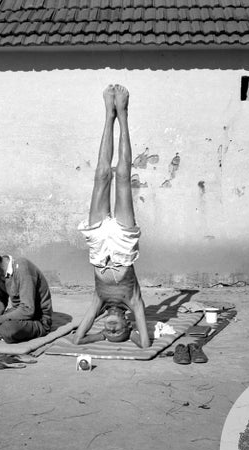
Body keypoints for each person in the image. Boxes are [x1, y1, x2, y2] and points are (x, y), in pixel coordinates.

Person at [73, 84, 151, 348]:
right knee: (122, 177)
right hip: (122, 250)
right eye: (117, 332)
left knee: (101, 176)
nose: (111, 329)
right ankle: (124, 116)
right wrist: (130, 335)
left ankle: (109, 115)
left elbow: (78, 339)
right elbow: (146, 344)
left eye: (109, 331)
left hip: (98, 250)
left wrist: (101, 337)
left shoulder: (99, 302)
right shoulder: (134, 301)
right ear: (127, 326)